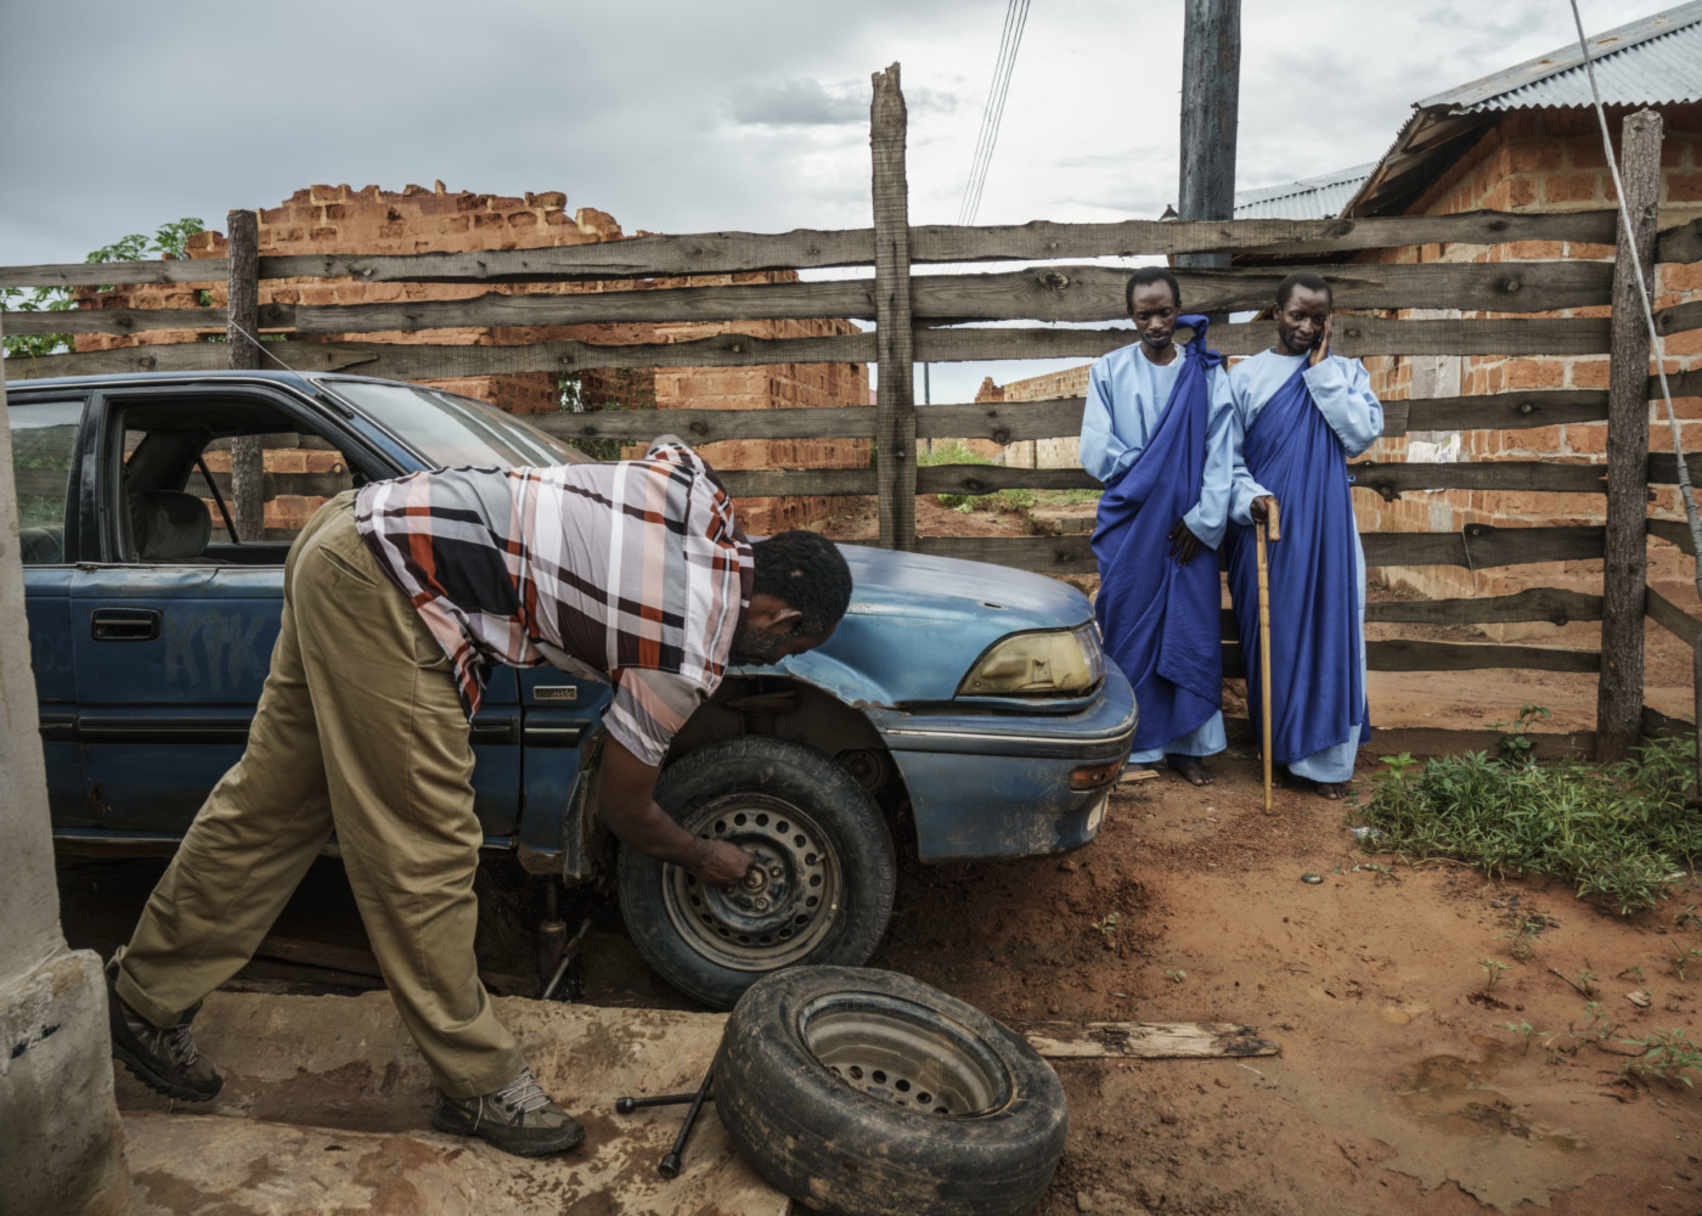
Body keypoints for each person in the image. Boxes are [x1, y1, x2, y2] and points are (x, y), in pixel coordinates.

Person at [105, 436, 852, 1157]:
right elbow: (625, 807)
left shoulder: (701, 496)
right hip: (391, 586)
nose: (774, 657)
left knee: (272, 807)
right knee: (426, 849)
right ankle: (478, 1081)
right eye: (789, 646)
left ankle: (144, 998)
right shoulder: (689, 646)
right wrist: (703, 855)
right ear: (779, 617)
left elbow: (655, 458)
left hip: (346, 530)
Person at [1226, 272, 1383, 799]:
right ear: (1276, 313)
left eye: (1319, 318)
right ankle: (1281, 749)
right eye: (1298, 315)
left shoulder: (1347, 373)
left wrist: (1321, 375)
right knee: (1275, 638)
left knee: (1330, 632)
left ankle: (1326, 765)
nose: (1308, 326)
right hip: (1266, 532)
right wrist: (1249, 497)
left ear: (1330, 320)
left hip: (1330, 530)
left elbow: (1360, 437)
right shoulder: (1246, 377)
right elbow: (1227, 457)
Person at [1081, 267, 1236, 786]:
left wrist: (1205, 518)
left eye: (1164, 312)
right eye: (1144, 314)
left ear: (1177, 310)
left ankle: (1190, 745)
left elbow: (1222, 447)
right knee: (1126, 622)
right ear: (1131, 316)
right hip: (1132, 518)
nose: (1155, 323)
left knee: (1191, 627)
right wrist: (1152, 473)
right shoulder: (1108, 370)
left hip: (1191, 523)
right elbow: (1096, 447)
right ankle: (1134, 741)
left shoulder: (1206, 372)